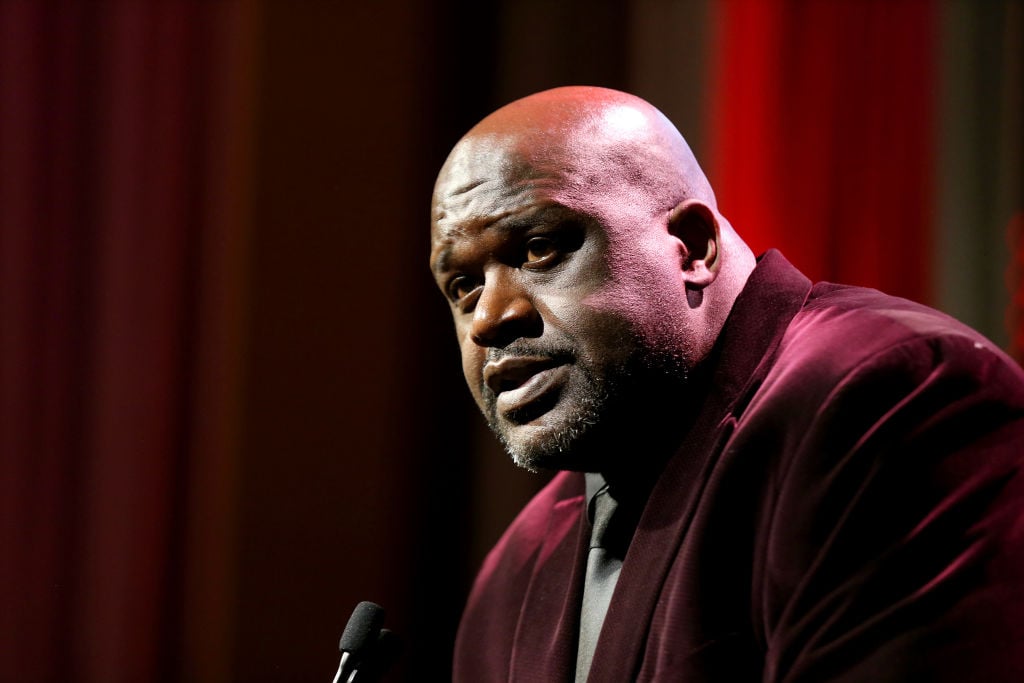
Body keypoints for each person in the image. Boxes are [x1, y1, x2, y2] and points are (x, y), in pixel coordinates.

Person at [429, 86, 1024, 682]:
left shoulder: (889, 401)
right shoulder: (517, 573)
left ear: (691, 245)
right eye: (464, 287)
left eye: (539, 249)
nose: (489, 319)